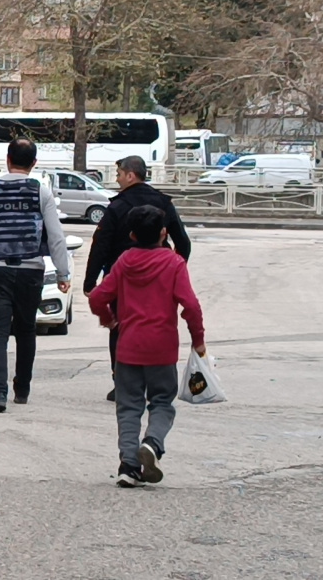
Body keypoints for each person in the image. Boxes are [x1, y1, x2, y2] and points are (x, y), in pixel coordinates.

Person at [88, 205, 205, 488]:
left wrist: (110, 320)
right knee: (162, 402)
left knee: (128, 407)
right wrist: (198, 339)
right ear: (164, 233)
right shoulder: (174, 263)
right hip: (162, 348)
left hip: (127, 347)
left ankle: (129, 465)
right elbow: (190, 305)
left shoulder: (125, 261)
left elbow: (97, 297)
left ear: (131, 234)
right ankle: (152, 443)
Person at [0, 138, 71, 413]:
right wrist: (63, 273)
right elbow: (55, 236)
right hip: (31, 271)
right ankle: (22, 389)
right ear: (34, 163)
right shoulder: (39, 191)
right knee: (26, 330)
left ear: (7, 159)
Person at [84, 156, 192, 402]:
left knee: (119, 327)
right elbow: (183, 242)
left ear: (131, 175)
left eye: (120, 173)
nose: (118, 178)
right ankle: (155, 379)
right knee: (157, 323)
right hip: (160, 277)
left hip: (122, 277)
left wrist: (90, 283)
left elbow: (100, 245)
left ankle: (121, 381)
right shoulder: (164, 203)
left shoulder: (117, 207)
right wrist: (175, 268)